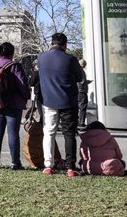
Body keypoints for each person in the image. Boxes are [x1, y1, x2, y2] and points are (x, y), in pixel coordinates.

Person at [37, 32, 85, 177]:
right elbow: (80, 77)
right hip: (68, 101)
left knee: (49, 132)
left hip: (49, 101)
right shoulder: (70, 59)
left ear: (52, 43)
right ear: (65, 45)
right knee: (69, 134)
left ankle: (48, 165)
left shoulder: (41, 58)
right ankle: (70, 167)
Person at [0, 42, 29, 169]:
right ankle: (15, 162)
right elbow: (23, 85)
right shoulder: (14, 66)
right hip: (13, 103)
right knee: (13, 133)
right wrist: (26, 97)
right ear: (12, 53)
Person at [77, 59, 92, 128]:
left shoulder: (76, 70)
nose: (85, 66)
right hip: (82, 91)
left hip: (77, 91)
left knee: (77, 107)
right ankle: (81, 123)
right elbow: (82, 82)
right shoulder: (81, 71)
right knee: (83, 107)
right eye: (84, 65)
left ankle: (78, 122)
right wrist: (88, 82)